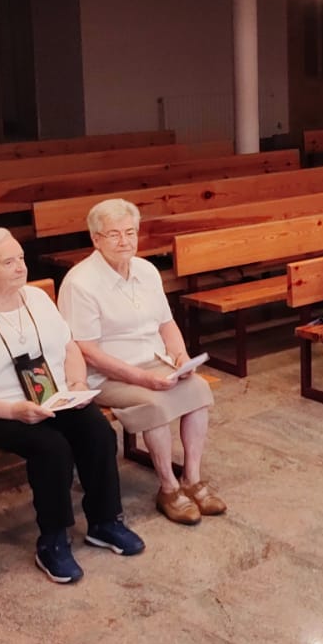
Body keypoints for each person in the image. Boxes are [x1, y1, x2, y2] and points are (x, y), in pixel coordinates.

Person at [0, 228, 144, 584]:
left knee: (97, 431)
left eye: (20, 258)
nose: (21, 266)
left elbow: (69, 348)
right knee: (51, 447)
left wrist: (77, 385)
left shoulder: (36, 298)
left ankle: (105, 521)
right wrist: (14, 411)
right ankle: (53, 540)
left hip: (49, 397)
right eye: (8, 262)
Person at [58, 199, 223, 527]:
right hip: (106, 375)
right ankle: (168, 487)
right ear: (96, 239)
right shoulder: (81, 283)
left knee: (197, 390)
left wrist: (181, 357)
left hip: (155, 362)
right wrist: (141, 378)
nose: (125, 241)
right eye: (114, 234)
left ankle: (191, 478)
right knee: (154, 402)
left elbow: (166, 323)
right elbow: (86, 350)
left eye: (130, 232)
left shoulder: (146, 270)